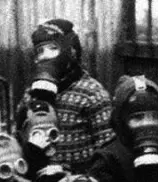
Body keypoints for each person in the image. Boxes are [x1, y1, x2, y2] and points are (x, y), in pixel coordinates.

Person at [16, 18, 115, 174]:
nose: (45, 56)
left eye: (52, 48)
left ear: (72, 52)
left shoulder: (92, 93)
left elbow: (107, 150)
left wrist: (76, 175)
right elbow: (20, 140)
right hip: (40, 178)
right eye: (40, 51)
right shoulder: (30, 95)